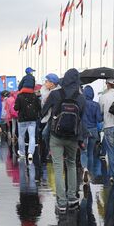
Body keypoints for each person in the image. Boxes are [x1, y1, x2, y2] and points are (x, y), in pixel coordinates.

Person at [41, 68, 86, 214]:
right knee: (72, 165)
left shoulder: (55, 94)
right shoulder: (81, 97)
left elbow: (43, 111)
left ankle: (61, 202)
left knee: (58, 168)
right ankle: (72, 198)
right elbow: (81, 119)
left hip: (56, 135)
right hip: (73, 137)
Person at [14, 77, 40, 162]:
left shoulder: (20, 96)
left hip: (22, 119)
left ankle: (22, 153)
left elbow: (16, 108)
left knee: (21, 136)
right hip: (32, 119)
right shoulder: (34, 96)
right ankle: (30, 153)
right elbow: (39, 108)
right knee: (32, 136)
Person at [81, 86, 103, 183]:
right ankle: (89, 173)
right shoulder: (96, 105)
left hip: (84, 130)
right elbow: (99, 119)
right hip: (93, 130)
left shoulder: (81, 104)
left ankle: (84, 169)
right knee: (90, 153)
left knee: (83, 152)